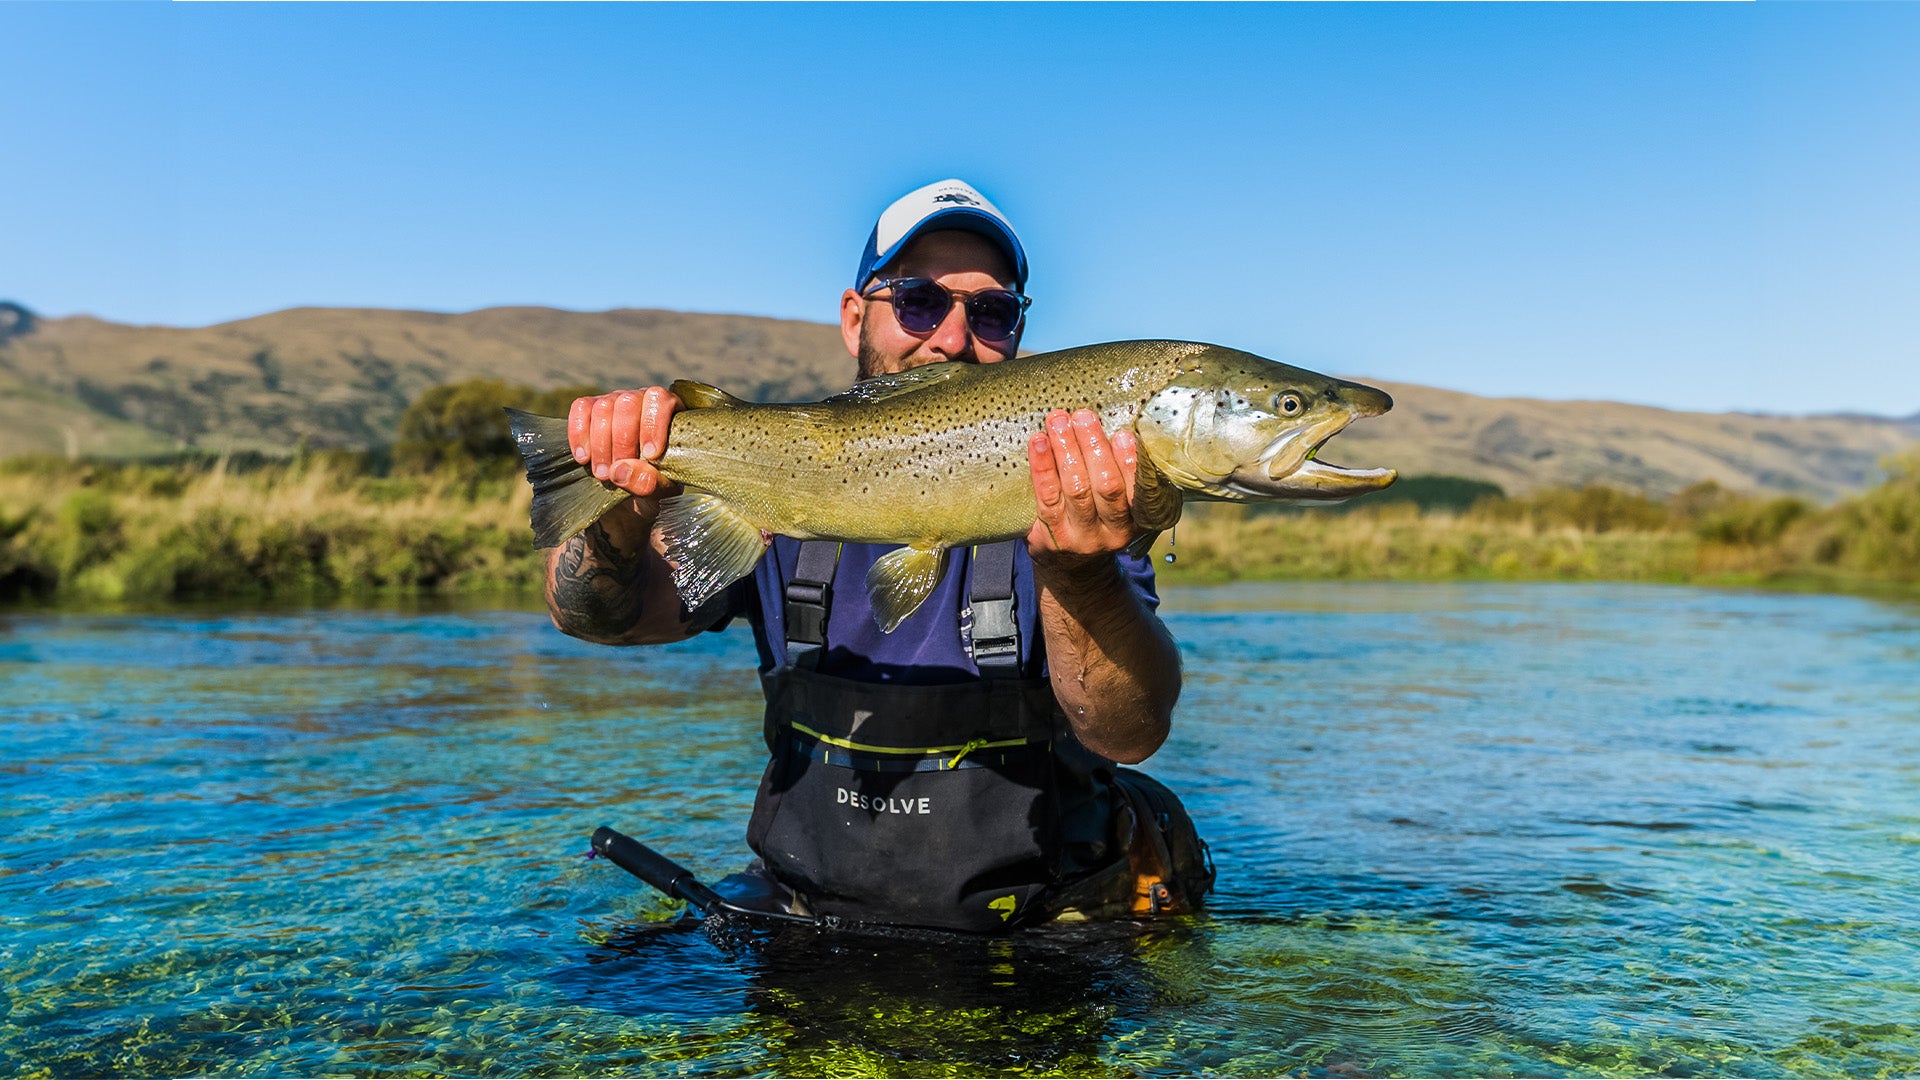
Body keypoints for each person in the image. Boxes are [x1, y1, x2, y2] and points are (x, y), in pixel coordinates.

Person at [545, 179, 1212, 932]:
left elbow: (1129, 734)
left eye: (992, 312)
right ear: (854, 316)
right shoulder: (775, 471)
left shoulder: (1083, 496)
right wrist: (621, 505)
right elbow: (597, 618)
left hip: (1037, 941)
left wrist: (1080, 576)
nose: (954, 338)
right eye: (920, 301)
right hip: (809, 932)